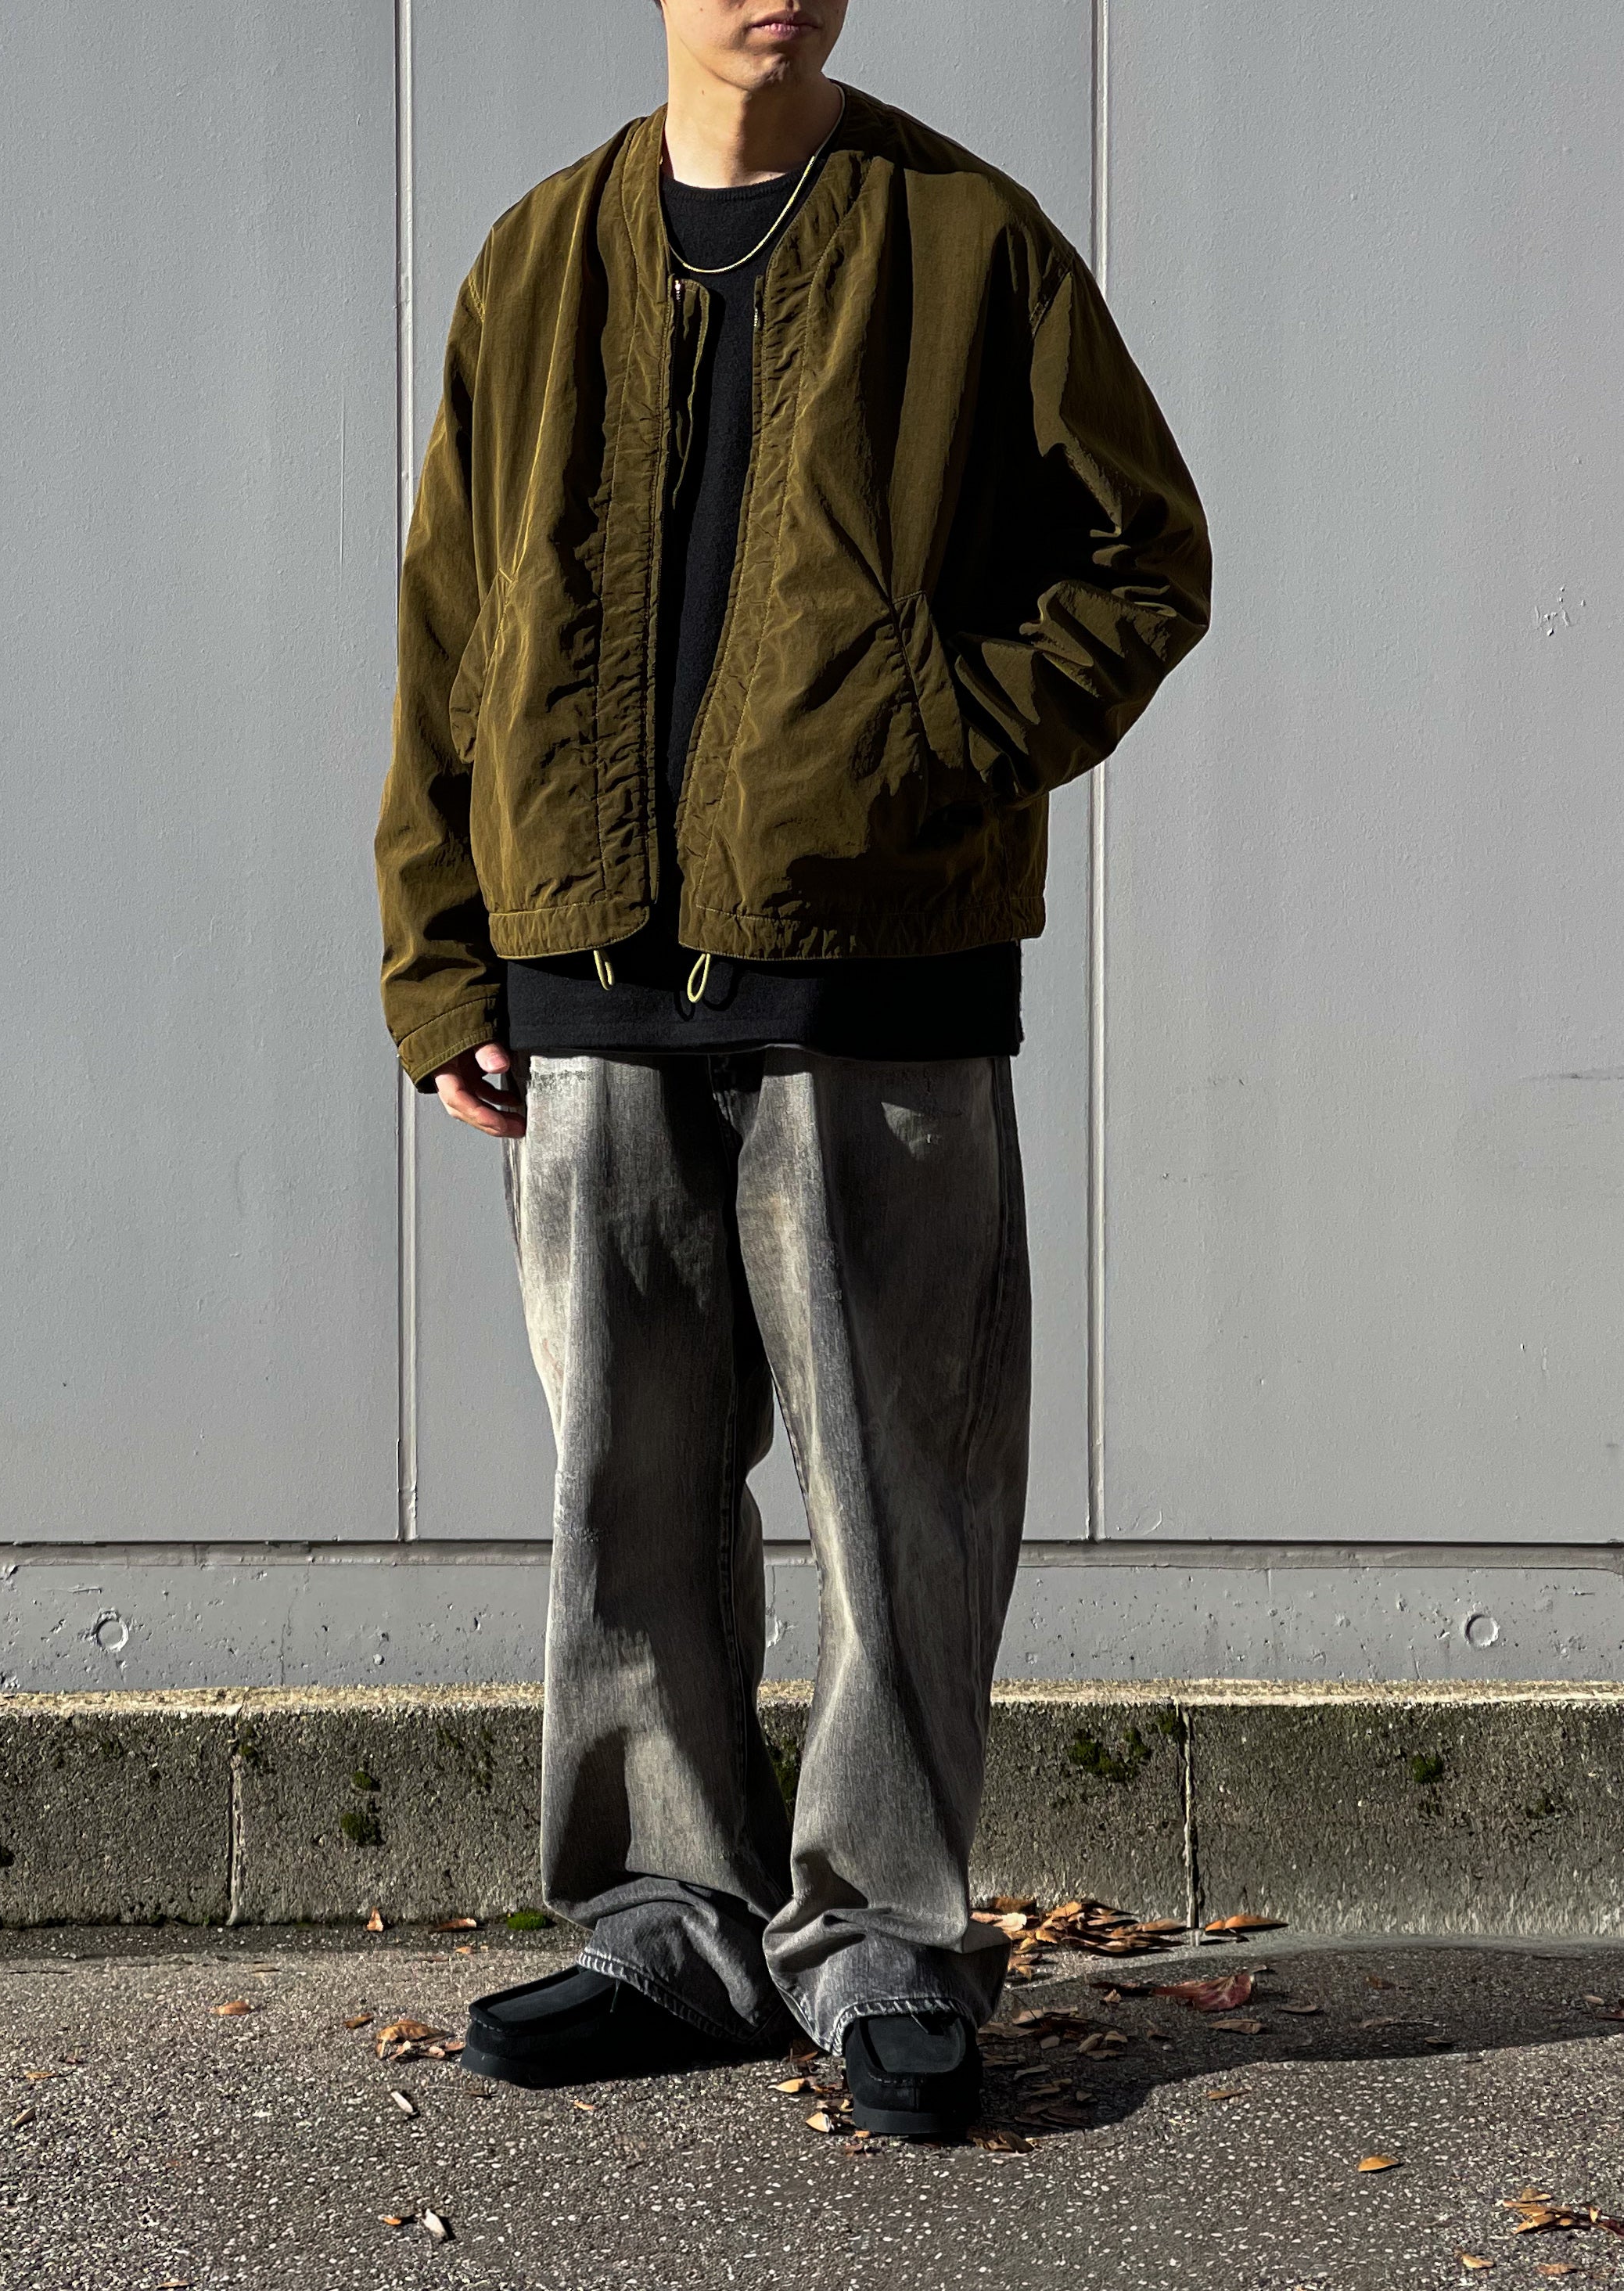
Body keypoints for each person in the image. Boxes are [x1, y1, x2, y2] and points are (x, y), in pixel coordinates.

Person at [374, 0, 1210, 2139]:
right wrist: (439, 952)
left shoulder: (966, 236)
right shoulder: (537, 254)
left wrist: (923, 747)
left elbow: (1143, 559)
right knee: (626, 1487)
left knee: (901, 1485)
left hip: (879, 975)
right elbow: (452, 618)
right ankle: (671, 1923)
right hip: (582, 973)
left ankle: (887, 1942)